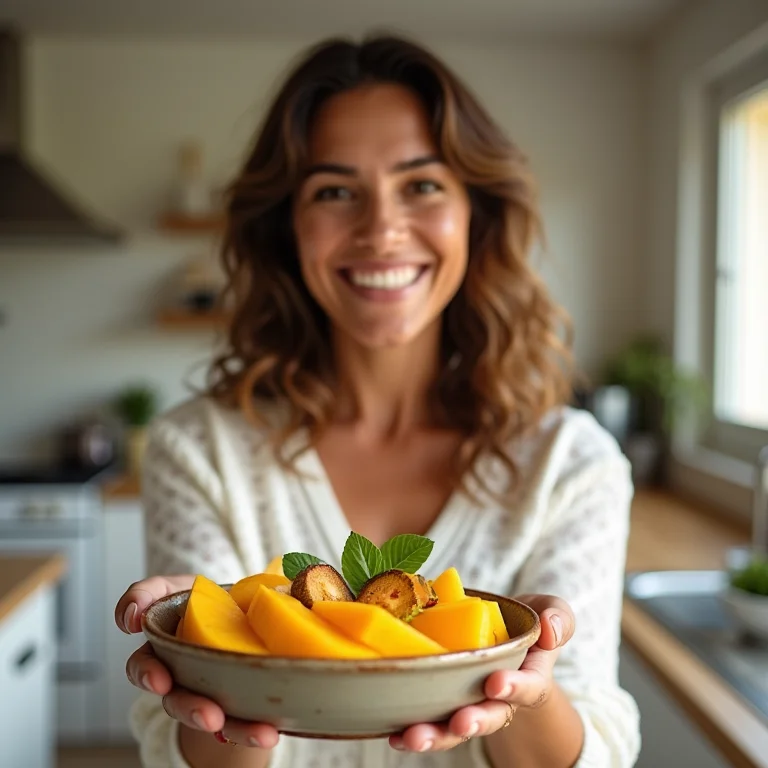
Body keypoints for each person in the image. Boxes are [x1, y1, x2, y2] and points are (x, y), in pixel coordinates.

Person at [115, 33, 641, 768]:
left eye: (422, 184)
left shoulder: (572, 463)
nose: (381, 229)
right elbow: (190, 750)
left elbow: (594, 750)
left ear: (474, 215)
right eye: (334, 191)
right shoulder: (197, 451)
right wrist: (202, 661)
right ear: (286, 227)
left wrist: (529, 690)